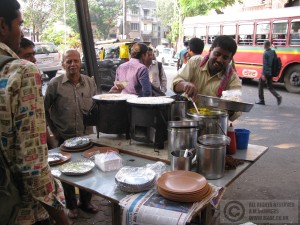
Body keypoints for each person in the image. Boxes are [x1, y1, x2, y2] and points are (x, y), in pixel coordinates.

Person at [0, 0, 70, 224]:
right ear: (3, 25)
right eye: (19, 24)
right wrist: (62, 218)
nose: (21, 31)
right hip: (20, 211)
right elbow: (33, 168)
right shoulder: (22, 72)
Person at [44, 49, 98, 219]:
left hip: (86, 137)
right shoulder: (55, 84)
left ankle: (85, 202)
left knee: (88, 169)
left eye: (76, 61)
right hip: (64, 137)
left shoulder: (89, 82)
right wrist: (54, 132)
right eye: (69, 61)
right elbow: (44, 109)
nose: (73, 64)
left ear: (80, 63)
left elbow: (96, 106)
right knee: (68, 173)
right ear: (63, 64)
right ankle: (71, 205)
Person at [172, 35, 242, 121]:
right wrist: (185, 85)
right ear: (210, 51)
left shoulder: (232, 78)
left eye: (225, 57)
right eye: (217, 54)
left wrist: (230, 107)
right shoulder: (195, 62)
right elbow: (175, 83)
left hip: (213, 125)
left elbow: (237, 112)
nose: (219, 60)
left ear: (230, 59)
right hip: (187, 121)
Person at [256, 40, 282, 105]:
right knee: (270, 86)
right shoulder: (273, 52)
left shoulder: (265, 53)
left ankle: (261, 100)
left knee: (260, 86)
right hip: (271, 72)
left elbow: (265, 65)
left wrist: (263, 74)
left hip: (266, 72)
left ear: (266, 45)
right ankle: (278, 96)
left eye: (264, 45)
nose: (263, 46)